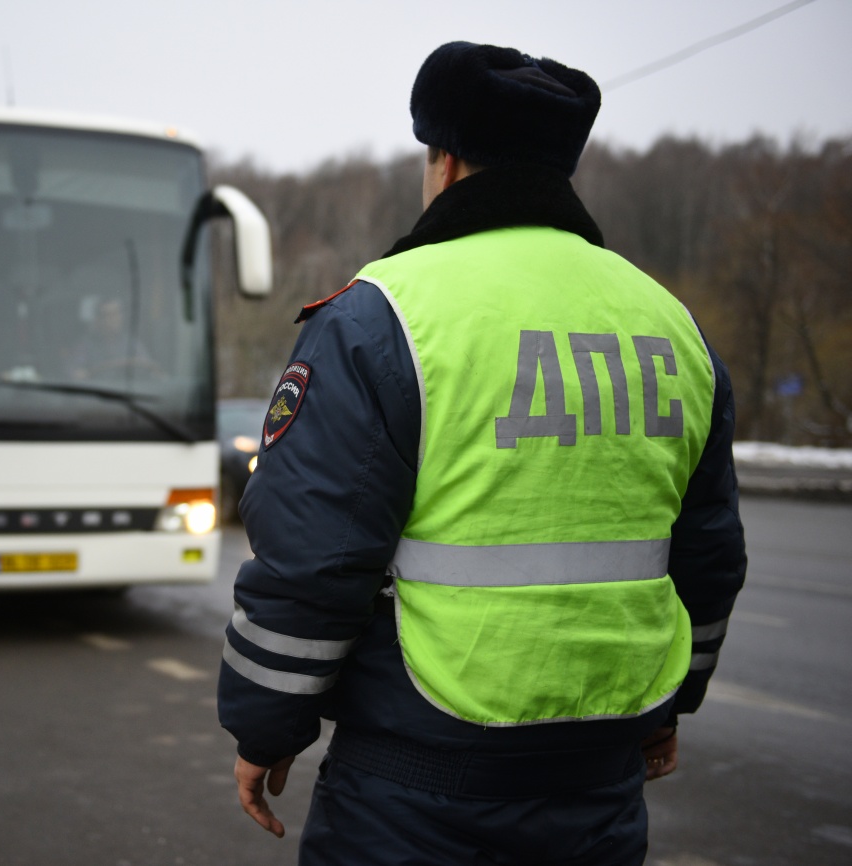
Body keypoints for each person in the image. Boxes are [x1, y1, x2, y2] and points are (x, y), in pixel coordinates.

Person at [217, 41, 747, 866]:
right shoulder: (671, 323)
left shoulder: (382, 316)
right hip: (601, 782)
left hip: (418, 786)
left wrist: (266, 727)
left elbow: (312, 554)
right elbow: (708, 553)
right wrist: (668, 710)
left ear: (445, 161)